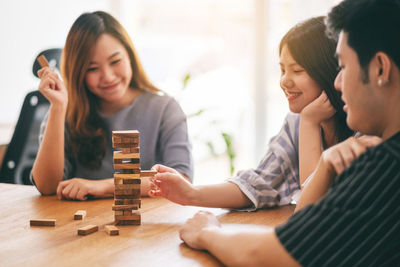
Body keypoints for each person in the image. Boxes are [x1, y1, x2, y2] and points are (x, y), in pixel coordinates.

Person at [177, 0, 400, 266]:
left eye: (343, 66)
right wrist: (192, 194)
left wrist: (206, 232)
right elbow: (280, 201)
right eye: (282, 69)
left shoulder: (382, 164)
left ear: (380, 69)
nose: (338, 83)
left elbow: (275, 254)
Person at [148, 16, 353, 210]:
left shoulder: (361, 129)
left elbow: (313, 210)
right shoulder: (295, 123)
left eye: (297, 71)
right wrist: (190, 194)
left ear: (328, 70)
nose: (284, 81)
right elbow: (260, 183)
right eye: (282, 70)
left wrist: (309, 122)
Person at [31, 11, 193, 200]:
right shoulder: (65, 111)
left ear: (130, 56)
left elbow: (181, 180)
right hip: (79, 223)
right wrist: (58, 108)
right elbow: (47, 187)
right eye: (92, 69)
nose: (107, 76)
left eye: (115, 61)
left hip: (148, 223)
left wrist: (105, 186)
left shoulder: (165, 109)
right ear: (78, 73)